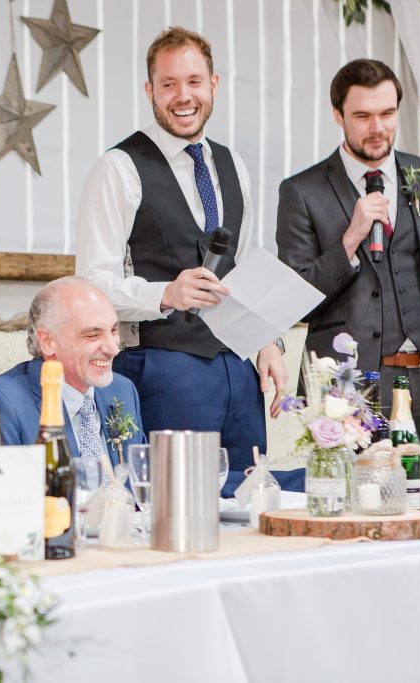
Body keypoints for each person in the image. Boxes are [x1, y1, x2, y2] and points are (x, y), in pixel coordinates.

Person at [75, 26, 298, 492]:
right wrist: (166, 294)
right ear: (149, 91)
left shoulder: (233, 164)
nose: (183, 96)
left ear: (213, 85)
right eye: (169, 84)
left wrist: (268, 342)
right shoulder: (118, 167)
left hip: (239, 375)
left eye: (194, 82)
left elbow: (242, 271)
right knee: (175, 507)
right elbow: (91, 286)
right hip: (164, 370)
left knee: (251, 501)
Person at [277, 58, 420, 438]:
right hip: (350, 392)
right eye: (363, 115)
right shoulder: (301, 191)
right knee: (359, 498)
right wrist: (350, 240)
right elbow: (295, 300)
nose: (378, 128)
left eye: (387, 113)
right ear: (337, 115)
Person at [0, 277, 145, 483]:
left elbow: (139, 487)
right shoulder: (2, 403)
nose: (113, 348)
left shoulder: (122, 390)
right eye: (93, 335)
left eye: (113, 331)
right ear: (48, 341)